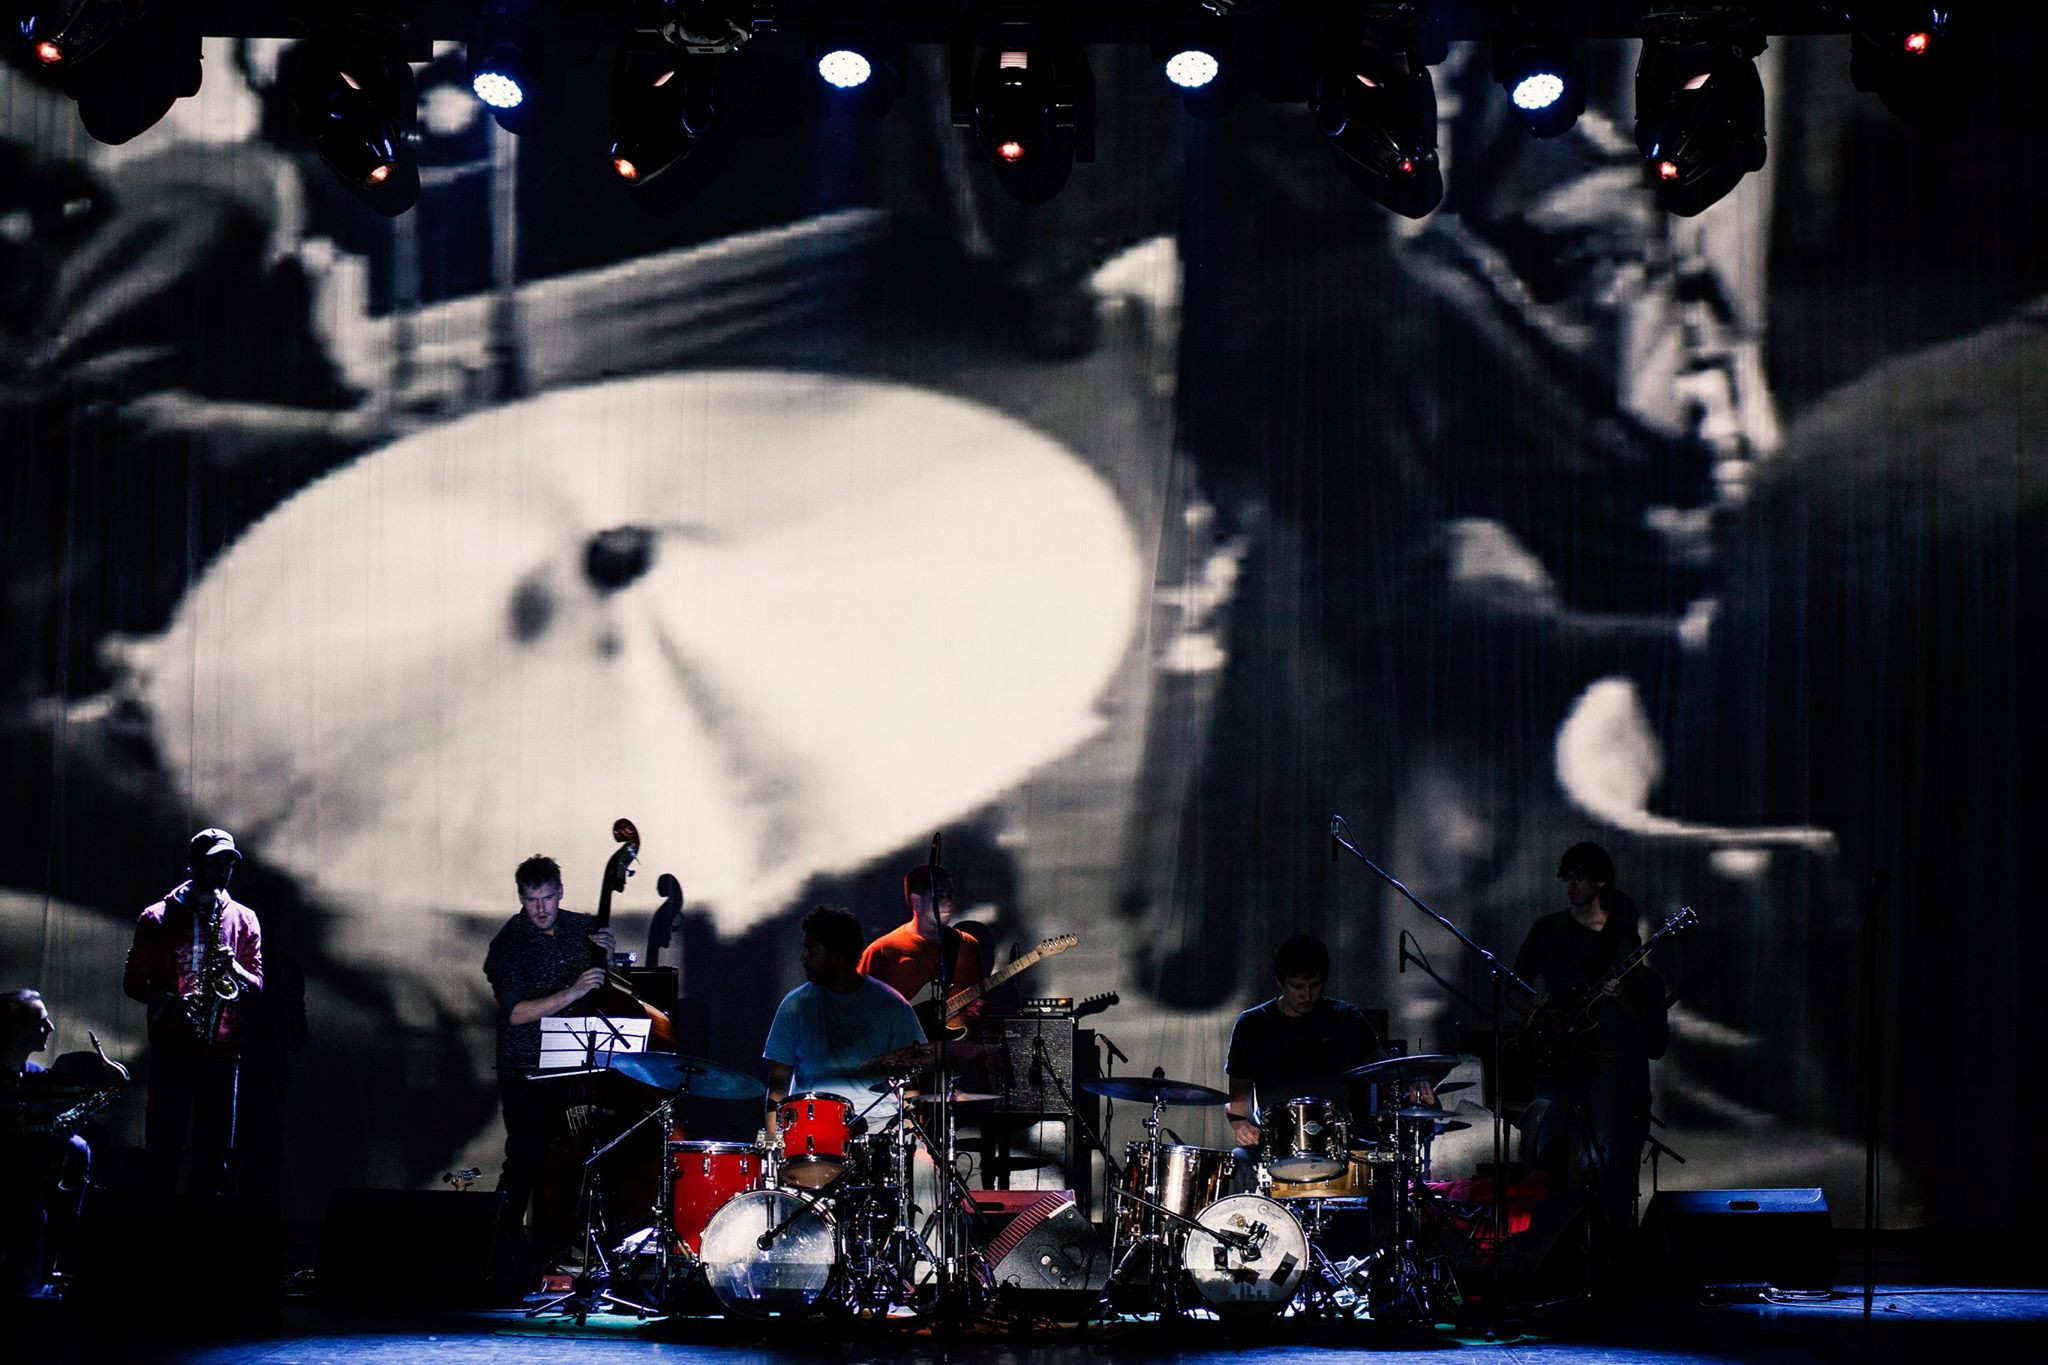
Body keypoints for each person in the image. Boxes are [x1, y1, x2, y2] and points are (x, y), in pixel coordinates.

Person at [1508, 841, 1667, 1244]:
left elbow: (1640, 1006)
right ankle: (1540, 1238)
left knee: (1598, 1157)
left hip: (1603, 1059)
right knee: (1541, 1148)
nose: (1571, 885)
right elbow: (1514, 988)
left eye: (1580, 877)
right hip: (1553, 1058)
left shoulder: (1622, 938)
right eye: (1568, 876)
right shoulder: (1547, 929)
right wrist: (1539, 1021)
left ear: (1601, 882)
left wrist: (1621, 995)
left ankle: (1597, 1242)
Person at [481, 854, 611, 1267]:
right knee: (526, 1158)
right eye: (531, 899)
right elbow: (516, 1013)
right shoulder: (508, 944)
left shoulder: (583, 928)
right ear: (521, 897)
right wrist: (572, 992)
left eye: (548, 898)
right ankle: (497, 1250)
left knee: (568, 1160)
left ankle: (555, 1251)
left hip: (575, 1063)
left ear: (560, 893)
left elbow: (604, 983)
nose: (540, 908)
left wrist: (609, 956)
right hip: (527, 1067)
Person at [122, 827, 264, 1199]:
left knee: (214, 1155)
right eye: (215, 863)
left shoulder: (244, 918)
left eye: (228, 864)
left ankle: (203, 1227)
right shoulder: (156, 917)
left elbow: (257, 984)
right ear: (193, 863)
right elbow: (132, 984)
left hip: (222, 1052)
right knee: (163, 1150)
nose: (223, 871)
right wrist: (171, 1001)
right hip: (172, 1047)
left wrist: (234, 968)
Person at [765, 906, 925, 1133]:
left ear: (837, 955)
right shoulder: (794, 1006)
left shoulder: (892, 1005)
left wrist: (912, 1137)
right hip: (812, 1125)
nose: (804, 957)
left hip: (880, 1125)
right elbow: (777, 1084)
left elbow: (910, 1084)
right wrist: (774, 1140)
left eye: (812, 949)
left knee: (917, 1159)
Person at [1223, 934, 1388, 1155]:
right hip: (1276, 1144)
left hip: (1338, 1143)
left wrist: (1412, 1081)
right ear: (1279, 981)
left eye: (1314, 985)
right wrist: (1242, 1126)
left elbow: (1384, 1069)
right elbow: (1238, 1098)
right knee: (1239, 1157)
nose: (1307, 996)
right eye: (1297, 986)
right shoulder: (1252, 1023)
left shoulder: (1345, 1017)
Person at [0, 990, 94, 1295]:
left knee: (78, 1147)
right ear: (17, 1030)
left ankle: (54, 1254)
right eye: (42, 1022)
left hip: (31, 1179)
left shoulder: (37, 1077)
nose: (51, 1028)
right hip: (14, 1181)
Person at [857, 862, 986, 1033]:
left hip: (958, 1046)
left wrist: (975, 1009)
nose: (948, 902)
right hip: (904, 1047)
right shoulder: (881, 951)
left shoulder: (968, 945)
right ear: (916, 901)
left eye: (950, 895)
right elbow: (861, 1010)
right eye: (939, 896)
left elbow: (977, 1001)